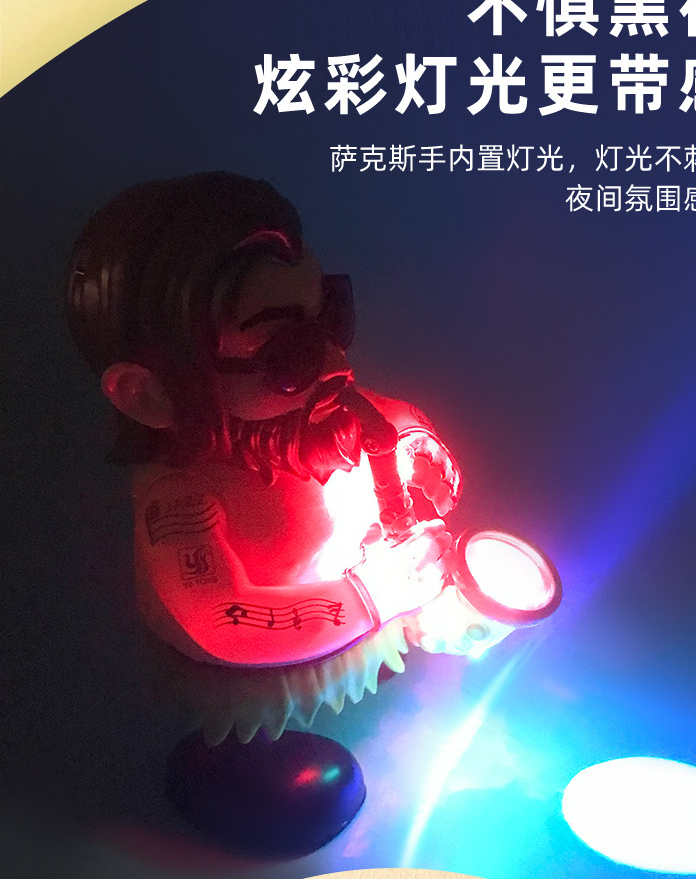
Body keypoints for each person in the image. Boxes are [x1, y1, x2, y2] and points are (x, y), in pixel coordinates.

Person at [65, 171, 461, 854]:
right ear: (149, 392)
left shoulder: (321, 417)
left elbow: (389, 424)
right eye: (288, 353)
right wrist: (374, 594)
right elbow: (223, 617)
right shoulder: (182, 501)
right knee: (251, 728)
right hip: (257, 674)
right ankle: (243, 767)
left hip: (350, 617)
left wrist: (414, 446)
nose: (334, 360)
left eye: (331, 315)